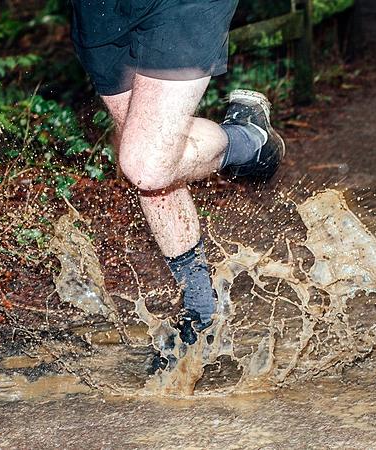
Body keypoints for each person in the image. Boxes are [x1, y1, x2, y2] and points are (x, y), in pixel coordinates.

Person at [70, 0, 285, 345]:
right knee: (143, 147)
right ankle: (201, 315)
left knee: (146, 164)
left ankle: (247, 140)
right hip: (100, 10)